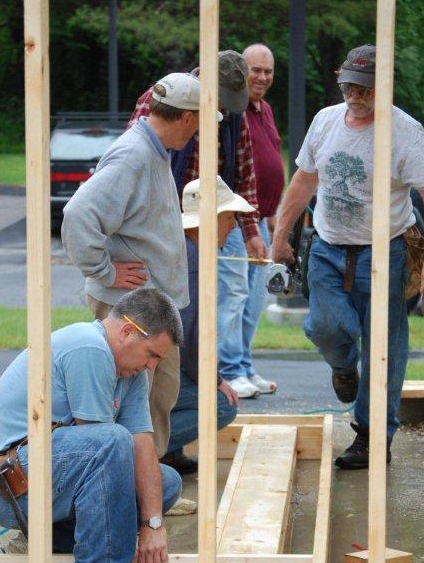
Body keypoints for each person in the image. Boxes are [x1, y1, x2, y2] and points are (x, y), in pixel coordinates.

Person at [272, 44, 424, 469]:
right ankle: (343, 367)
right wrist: (280, 237)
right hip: (326, 248)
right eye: (348, 86)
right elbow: (303, 183)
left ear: (383, 86)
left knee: (385, 348)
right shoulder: (326, 121)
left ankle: (371, 437)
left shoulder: (406, 132)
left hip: (387, 252)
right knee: (325, 326)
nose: (354, 96)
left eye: (363, 88)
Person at [0, 288, 184, 563]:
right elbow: (103, 448)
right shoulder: (89, 347)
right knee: (112, 441)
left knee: (163, 483)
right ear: (128, 331)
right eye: (152, 354)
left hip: (40, 474)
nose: (152, 365)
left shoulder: (131, 371)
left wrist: (153, 525)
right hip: (1, 482)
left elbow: (142, 442)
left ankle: (56, 543)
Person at [62, 72, 210, 460]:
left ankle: (150, 491)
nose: (198, 135)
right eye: (200, 123)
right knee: (131, 407)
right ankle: (130, 500)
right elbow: (79, 215)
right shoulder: (134, 154)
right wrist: (105, 271)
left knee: (157, 401)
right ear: (187, 118)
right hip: (130, 309)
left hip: (154, 308)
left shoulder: (155, 151)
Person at [129, 51, 271, 399]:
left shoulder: (234, 117)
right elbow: (138, 158)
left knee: (221, 297)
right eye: (220, 100)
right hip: (167, 222)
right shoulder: (162, 99)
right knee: (175, 304)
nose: (224, 109)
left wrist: (251, 231)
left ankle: (210, 375)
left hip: (213, 219)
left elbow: (244, 170)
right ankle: (193, 383)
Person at [161, 177, 253, 476]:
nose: (234, 227)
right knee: (222, 406)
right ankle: (150, 447)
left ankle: (170, 453)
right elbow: (186, 336)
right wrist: (215, 381)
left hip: (158, 365)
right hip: (161, 368)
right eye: (229, 218)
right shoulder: (193, 259)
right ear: (210, 219)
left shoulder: (184, 248)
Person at [235, 43, 285, 394]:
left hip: (262, 218)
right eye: (255, 69)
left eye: (267, 71)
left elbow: (269, 163)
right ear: (241, 71)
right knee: (233, 297)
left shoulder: (263, 109)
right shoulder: (234, 109)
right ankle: (230, 370)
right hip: (238, 221)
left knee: (254, 300)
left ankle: (245, 365)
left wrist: (273, 214)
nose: (262, 77)